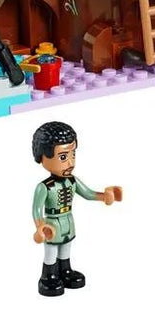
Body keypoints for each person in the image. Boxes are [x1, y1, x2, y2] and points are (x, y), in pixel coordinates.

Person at [31, 121, 122, 296]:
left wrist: (104, 196)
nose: (70, 162)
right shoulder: (44, 187)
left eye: (73, 154)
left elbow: (87, 193)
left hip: (68, 220)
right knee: (51, 251)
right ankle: (48, 277)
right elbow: (36, 210)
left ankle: (65, 271)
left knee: (66, 247)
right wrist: (40, 226)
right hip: (52, 223)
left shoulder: (72, 180)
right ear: (43, 157)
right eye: (63, 157)